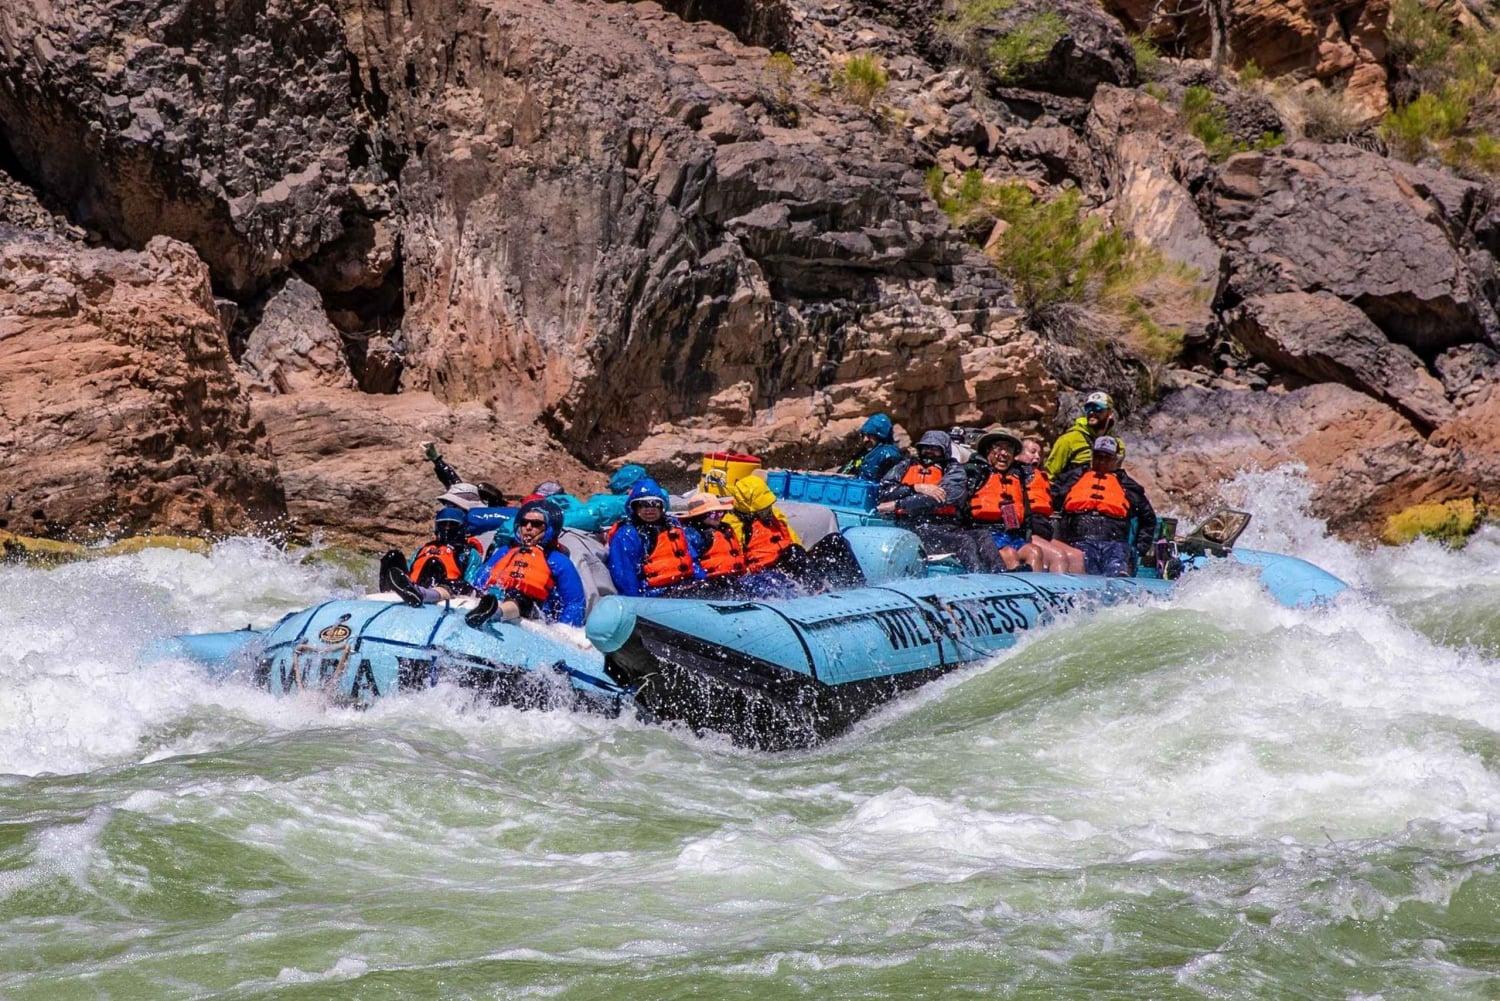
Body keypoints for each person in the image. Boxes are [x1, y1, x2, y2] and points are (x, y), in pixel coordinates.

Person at [877, 430, 1002, 573]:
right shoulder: (904, 466)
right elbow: (884, 492)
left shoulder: (954, 470)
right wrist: (916, 488)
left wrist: (898, 504)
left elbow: (942, 498)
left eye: (935, 448)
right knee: (964, 542)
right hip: (915, 527)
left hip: (946, 526)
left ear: (944, 450)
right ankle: (976, 578)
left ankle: (1000, 575)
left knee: (983, 536)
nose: (929, 451)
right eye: (926, 447)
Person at [467, 498, 587, 627]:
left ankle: (496, 612)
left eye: (536, 524)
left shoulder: (559, 562)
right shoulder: (505, 552)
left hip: (534, 611)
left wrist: (564, 629)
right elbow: (480, 581)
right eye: (524, 523)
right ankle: (443, 594)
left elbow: (574, 603)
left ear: (549, 529)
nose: (528, 528)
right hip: (495, 597)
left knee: (519, 598)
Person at [1050, 435, 1156, 577]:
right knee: (1086, 565)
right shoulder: (1072, 478)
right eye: (1098, 456)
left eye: (1107, 458)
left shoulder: (1128, 486)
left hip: (1116, 543)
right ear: (1092, 457)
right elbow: (1049, 503)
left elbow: (1148, 519)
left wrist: (1139, 550)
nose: (1101, 461)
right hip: (1079, 541)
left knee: (1117, 570)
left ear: (1114, 460)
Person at [606, 478, 707, 597]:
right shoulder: (627, 534)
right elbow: (624, 574)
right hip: (654, 594)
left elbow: (691, 557)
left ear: (662, 507)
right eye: (643, 504)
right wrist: (636, 604)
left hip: (685, 588)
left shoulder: (673, 525)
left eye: (655, 504)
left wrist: (702, 582)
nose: (650, 509)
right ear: (635, 507)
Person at [964, 428, 1047, 572]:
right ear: (987, 450)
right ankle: (1013, 593)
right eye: (998, 447)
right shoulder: (973, 473)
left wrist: (1026, 536)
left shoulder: (1017, 476)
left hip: (1012, 534)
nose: (1004, 453)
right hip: (984, 534)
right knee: (1009, 554)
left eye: (1008, 448)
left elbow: (1026, 515)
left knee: (1034, 551)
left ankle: (1035, 593)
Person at [377, 507, 483, 607]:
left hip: (447, 589)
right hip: (415, 583)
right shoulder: (423, 549)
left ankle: (421, 593)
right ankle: (392, 591)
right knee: (392, 555)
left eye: (452, 525)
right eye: (443, 525)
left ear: (462, 528)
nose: (447, 528)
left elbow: (471, 582)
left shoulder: (469, 553)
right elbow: (410, 570)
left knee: (434, 563)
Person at [1018, 434, 1085, 574]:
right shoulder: (1015, 475)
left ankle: (1078, 596)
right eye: (1032, 452)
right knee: (1058, 556)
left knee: (1077, 556)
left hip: (1044, 532)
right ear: (1017, 455)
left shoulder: (1042, 477)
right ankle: (1055, 595)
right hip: (1026, 532)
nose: (1037, 457)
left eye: (1039, 454)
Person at [1044, 391, 1125, 479]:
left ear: (1110, 413)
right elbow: (1049, 474)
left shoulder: (1117, 445)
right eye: (1088, 408)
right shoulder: (1068, 440)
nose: (1091, 412)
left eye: (1097, 408)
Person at [838, 413, 903, 481]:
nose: (865, 440)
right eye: (863, 435)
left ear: (880, 436)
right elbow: (842, 474)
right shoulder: (863, 454)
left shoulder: (889, 454)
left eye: (869, 436)